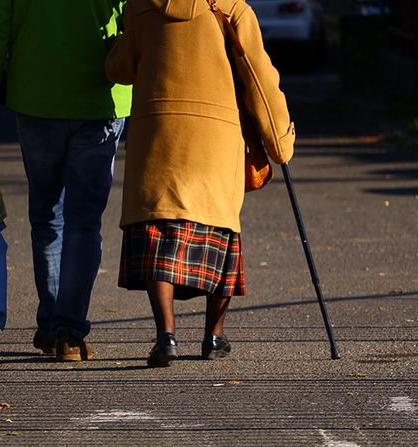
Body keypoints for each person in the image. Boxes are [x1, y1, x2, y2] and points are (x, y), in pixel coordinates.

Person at [105, 0, 294, 367]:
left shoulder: (140, 8)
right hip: (215, 140)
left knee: (158, 234)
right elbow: (259, 77)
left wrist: (115, 40)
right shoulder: (231, 8)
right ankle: (213, 336)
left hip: (157, 138)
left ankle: (166, 336)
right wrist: (280, 141)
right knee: (218, 234)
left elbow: (120, 68)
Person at [0, 1, 131, 362]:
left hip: (37, 101)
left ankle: (52, 325)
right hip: (100, 101)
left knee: (46, 218)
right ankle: (69, 331)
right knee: (84, 221)